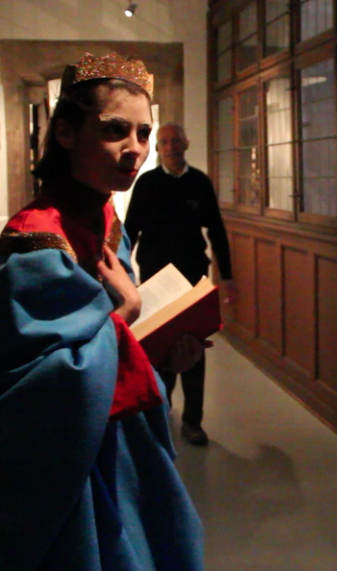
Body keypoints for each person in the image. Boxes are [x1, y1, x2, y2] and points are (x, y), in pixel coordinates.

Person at [0, 53, 203, 570]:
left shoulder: (107, 219)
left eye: (143, 133)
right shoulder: (34, 244)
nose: (135, 149)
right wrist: (128, 313)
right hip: (67, 466)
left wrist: (160, 353)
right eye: (116, 131)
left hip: (122, 445)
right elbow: (25, 390)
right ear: (66, 132)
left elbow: (111, 348)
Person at [124, 123, 237, 446]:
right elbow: (130, 231)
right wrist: (124, 279)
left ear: (186, 144)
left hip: (192, 278)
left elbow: (216, 231)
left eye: (176, 141)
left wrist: (227, 277)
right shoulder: (147, 183)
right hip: (156, 277)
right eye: (165, 142)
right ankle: (162, 410)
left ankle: (193, 422)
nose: (171, 147)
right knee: (159, 346)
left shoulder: (199, 182)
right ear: (158, 149)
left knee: (194, 347)